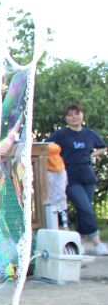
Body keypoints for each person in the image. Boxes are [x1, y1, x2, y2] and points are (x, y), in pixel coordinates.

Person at [46, 102, 108, 255]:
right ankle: (97, 242)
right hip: (70, 178)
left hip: (88, 176)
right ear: (66, 118)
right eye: (70, 115)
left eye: (77, 113)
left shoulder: (89, 133)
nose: (74, 117)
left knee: (83, 210)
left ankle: (79, 245)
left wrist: (92, 155)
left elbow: (103, 146)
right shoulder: (61, 134)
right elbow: (45, 146)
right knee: (85, 208)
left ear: (82, 115)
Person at [47, 143, 70, 230]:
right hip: (61, 203)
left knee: (54, 223)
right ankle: (65, 228)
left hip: (51, 204)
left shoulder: (45, 171)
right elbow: (66, 183)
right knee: (63, 222)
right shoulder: (63, 170)